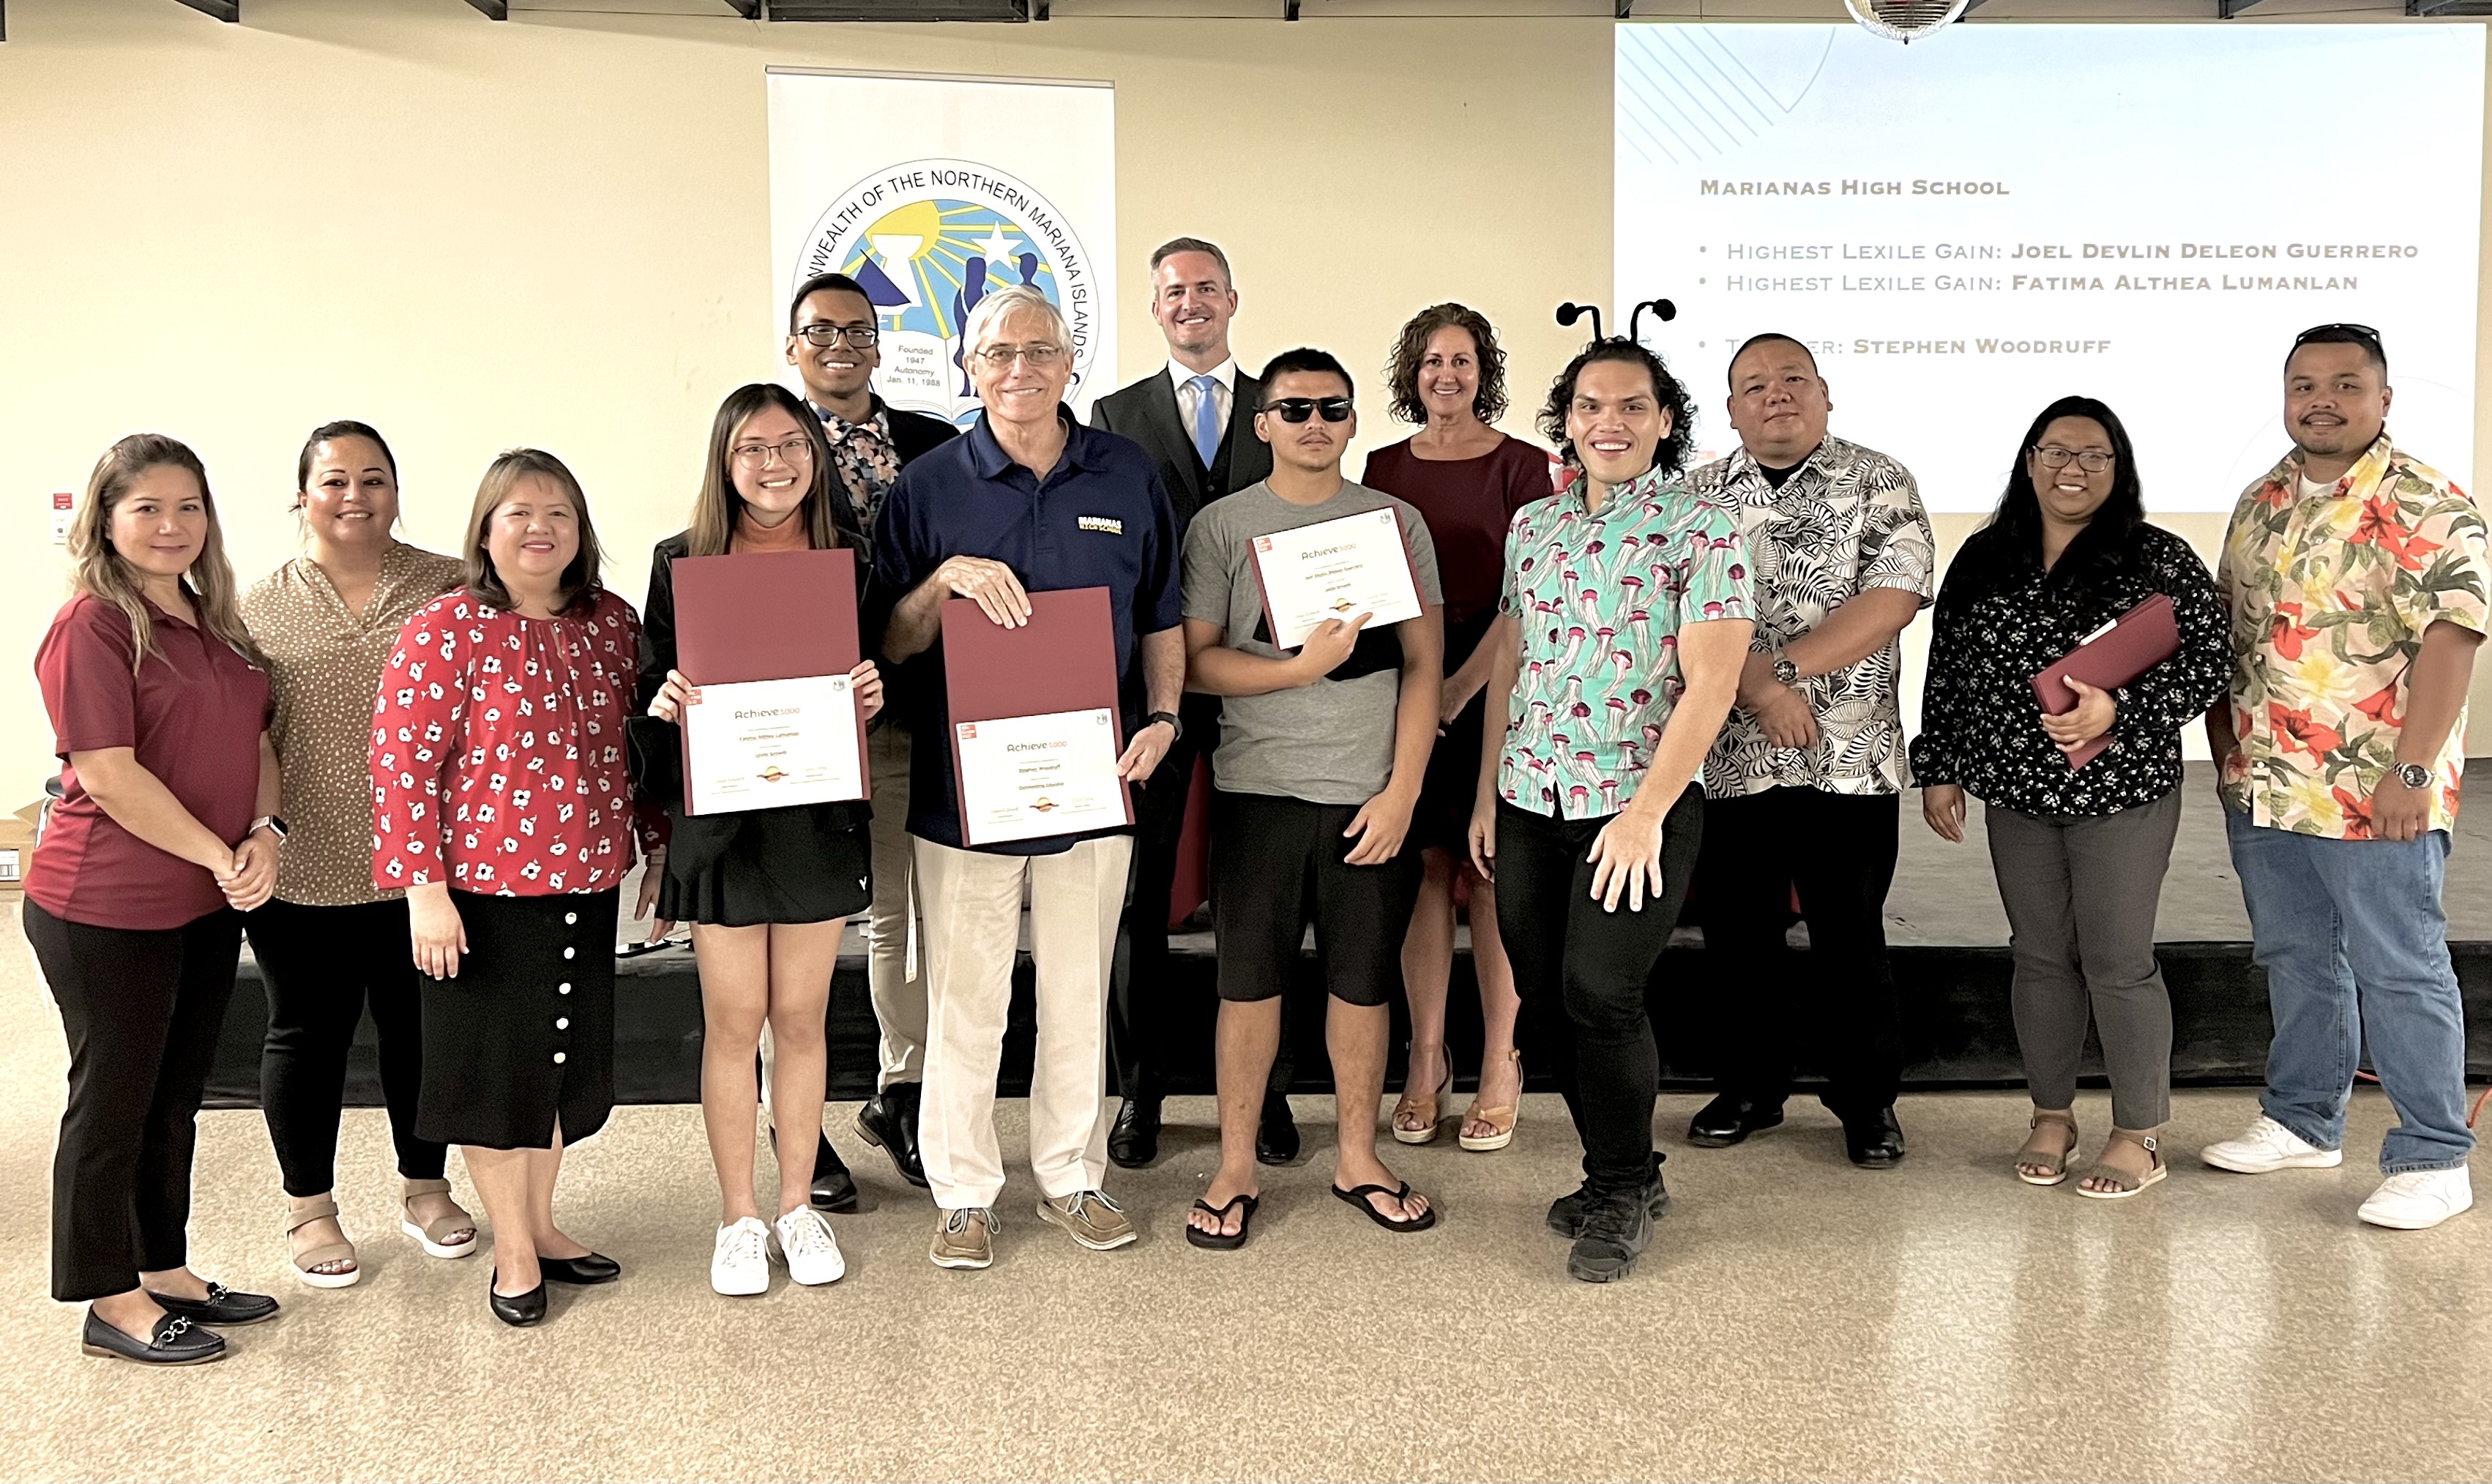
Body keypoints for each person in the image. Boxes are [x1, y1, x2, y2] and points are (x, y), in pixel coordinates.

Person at [875, 284, 1183, 1269]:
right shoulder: (928, 485)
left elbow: (1164, 615)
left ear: (1069, 364)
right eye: (999, 352)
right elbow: (888, 637)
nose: (1019, 368)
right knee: (966, 998)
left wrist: (1168, 715)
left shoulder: (1127, 473)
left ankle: (1072, 1173)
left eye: (1039, 350)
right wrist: (943, 581)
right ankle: (964, 1190)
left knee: (1079, 991)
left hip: (1096, 779)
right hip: (962, 796)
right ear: (969, 368)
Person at [1470, 340, 1753, 1283]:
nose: (1610, 423)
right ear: (1567, 421)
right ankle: (1625, 1169)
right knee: (1544, 1002)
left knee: (1602, 991)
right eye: (1591, 405)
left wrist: (1641, 815)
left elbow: (1711, 684)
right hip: (1526, 797)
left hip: (1635, 806)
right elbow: (1513, 660)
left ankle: (1622, 1185)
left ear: (1664, 420)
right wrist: (1484, 793)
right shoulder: (1532, 526)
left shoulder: (1705, 526)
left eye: (1633, 406)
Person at [2201, 323, 2489, 1230]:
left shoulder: (2426, 501)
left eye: (2343, 384)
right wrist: (2225, 751)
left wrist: (2411, 767)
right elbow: (2231, 630)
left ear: (2382, 398)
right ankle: (2302, 1119)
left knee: (2399, 966)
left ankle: (2433, 1154)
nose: (2319, 399)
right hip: (2269, 778)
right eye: (2302, 384)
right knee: (2295, 955)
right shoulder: (2261, 499)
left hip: (2375, 784)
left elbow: (2452, 637)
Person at [370, 448, 666, 1325]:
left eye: (559, 513)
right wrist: (424, 888)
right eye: (518, 513)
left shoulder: (613, 623)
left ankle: (540, 1223)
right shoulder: (444, 628)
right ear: (486, 531)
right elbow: (401, 765)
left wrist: (655, 850)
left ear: (580, 532)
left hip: (588, 879)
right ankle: (508, 1249)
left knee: (558, 1069)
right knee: (496, 1080)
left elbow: (641, 749)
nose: (540, 529)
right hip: (481, 898)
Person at [1909, 397, 2229, 1198]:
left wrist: (2123, 710)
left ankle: (2137, 1132)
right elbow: (1947, 665)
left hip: (2119, 788)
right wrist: (1940, 763)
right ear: (2027, 461)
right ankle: (2049, 1113)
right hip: (2015, 790)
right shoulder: (1986, 555)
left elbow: (2209, 661)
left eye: (2093, 455)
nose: (2072, 468)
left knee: (2117, 961)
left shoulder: (2155, 556)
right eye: (2054, 451)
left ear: (2117, 469)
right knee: (2039, 956)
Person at [1178, 347, 1446, 1249]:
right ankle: (1236, 1165)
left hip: (1368, 796)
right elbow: (1201, 662)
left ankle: (1358, 1157)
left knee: (1361, 986)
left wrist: (1404, 790)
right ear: (1261, 424)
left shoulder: (1394, 522)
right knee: (1247, 986)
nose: (1314, 424)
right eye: (1293, 410)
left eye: (1331, 408)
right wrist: (1298, 668)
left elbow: (1423, 664)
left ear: (1352, 420)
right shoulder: (1221, 525)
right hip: (1258, 792)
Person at [25, 434, 284, 1364]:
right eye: (147, 508)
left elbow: (256, 741)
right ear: (106, 518)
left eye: (188, 507)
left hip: (202, 900)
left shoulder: (214, 618)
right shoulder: (92, 623)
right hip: (102, 905)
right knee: (114, 1101)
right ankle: (107, 1296)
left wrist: (267, 834)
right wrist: (224, 852)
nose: (171, 526)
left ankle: (162, 1265)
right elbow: (107, 771)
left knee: (176, 1097)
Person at [639, 384, 887, 1295]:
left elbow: (874, 670)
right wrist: (662, 707)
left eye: (790, 444)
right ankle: (738, 1215)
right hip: (724, 826)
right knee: (735, 1022)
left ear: (813, 457)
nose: (774, 462)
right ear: (724, 459)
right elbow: (648, 693)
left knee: (801, 1019)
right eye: (752, 447)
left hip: (815, 820)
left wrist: (868, 693)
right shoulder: (680, 563)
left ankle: (796, 1205)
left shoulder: (848, 559)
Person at [1681, 332, 1936, 1168]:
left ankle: (1865, 1104)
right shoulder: (1694, 495)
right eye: (1753, 385)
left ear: (1824, 394)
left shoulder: (1878, 479)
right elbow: (1670, 612)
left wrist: (1775, 670)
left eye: (1792, 379)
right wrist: (1754, 691)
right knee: (1737, 935)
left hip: (1847, 755)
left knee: (1848, 936)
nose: (1775, 394)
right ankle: (1750, 1088)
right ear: (1730, 409)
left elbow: (1892, 598)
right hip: (1726, 761)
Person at [240, 421, 473, 1289]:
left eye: (373, 479)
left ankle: (424, 1186)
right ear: (301, 496)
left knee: (420, 1028)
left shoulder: (449, 585)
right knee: (306, 1034)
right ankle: (311, 1207)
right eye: (333, 480)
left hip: (426, 867)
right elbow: (242, 736)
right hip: (300, 863)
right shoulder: (254, 605)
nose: (354, 496)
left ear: (396, 492)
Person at [1088, 236, 1295, 1169]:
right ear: (1155, 306)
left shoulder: (1285, 404)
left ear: (1233, 298)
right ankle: (1142, 1093)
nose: (1190, 302)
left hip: (1267, 687)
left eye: (1205, 287)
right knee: (1141, 895)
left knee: (1265, 899)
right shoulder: (1111, 414)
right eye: (1173, 291)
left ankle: (1272, 1091)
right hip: (1153, 693)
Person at [785, 271, 960, 1199]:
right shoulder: (764, 440)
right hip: (791, 724)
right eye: (820, 331)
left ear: (881, 344)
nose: (841, 345)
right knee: (796, 920)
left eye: (857, 330)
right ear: (793, 346)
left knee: (901, 914)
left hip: (908, 710)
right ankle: (796, 1122)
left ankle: (903, 1089)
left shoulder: (937, 445)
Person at [1362, 302, 1548, 1152]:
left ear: (1484, 371)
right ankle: (1426, 1056)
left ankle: (1501, 1061)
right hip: (1406, 679)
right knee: (1425, 870)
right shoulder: (1380, 464)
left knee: (1493, 868)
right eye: (1432, 359)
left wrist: (1459, 686)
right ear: (1412, 372)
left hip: (1499, 680)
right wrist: (1421, 688)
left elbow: (1526, 600)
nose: (1447, 373)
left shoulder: (1520, 466)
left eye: (1463, 360)